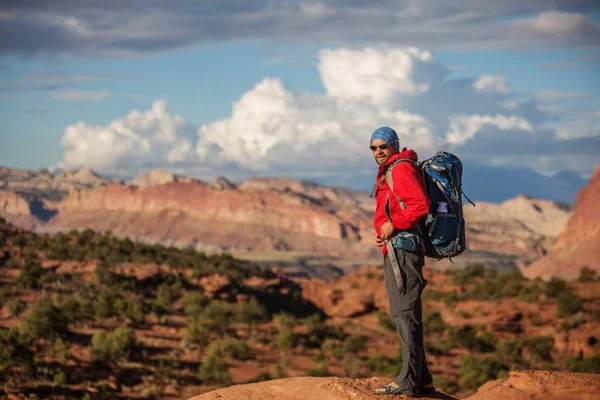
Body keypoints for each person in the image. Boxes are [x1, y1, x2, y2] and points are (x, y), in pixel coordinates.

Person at [369, 126, 435, 396]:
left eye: (383, 146)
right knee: (402, 313)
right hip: (396, 246)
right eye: (373, 148)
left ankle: (408, 381)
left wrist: (393, 225)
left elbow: (420, 204)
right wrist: (384, 230)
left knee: (405, 313)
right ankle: (423, 379)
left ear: (394, 145)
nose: (378, 152)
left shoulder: (400, 169)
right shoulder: (391, 169)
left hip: (404, 250)